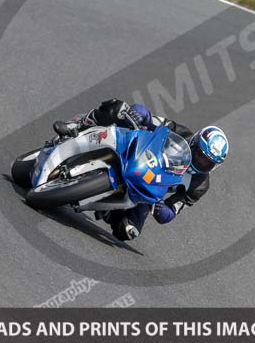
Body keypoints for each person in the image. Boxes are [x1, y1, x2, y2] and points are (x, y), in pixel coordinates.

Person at [54, 99, 228, 241]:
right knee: (119, 108)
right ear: (194, 142)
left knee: (128, 231)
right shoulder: (181, 133)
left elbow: (173, 210)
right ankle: (77, 126)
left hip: (150, 188)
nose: (199, 160)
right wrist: (140, 113)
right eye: (198, 153)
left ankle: (106, 207)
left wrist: (162, 210)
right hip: (139, 154)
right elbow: (152, 119)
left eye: (206, 162)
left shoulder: (199, 186)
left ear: (214, 167)